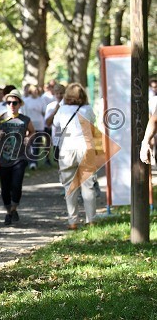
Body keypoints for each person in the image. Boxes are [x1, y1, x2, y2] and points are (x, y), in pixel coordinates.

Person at [0, 89, 35, 225]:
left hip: (20, 157)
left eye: (15, 103)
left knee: (16, 185)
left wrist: (28, 138)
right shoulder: (0, 118)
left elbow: (32, 132)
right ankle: (9, 210)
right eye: (9, 102)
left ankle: (12, 209)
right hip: (3, 158)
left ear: (20, 104)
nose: (12, 105)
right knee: (5, 188)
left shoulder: (25, 119)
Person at [53, 83, 97, 230]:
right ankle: (91, 220)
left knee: (69, 187)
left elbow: (55, 125)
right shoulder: (87, 109)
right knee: (88, 186)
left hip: (67, 150)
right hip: (86, 148)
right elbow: (92, 123)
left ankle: (73, 221)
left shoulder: (62, 110)